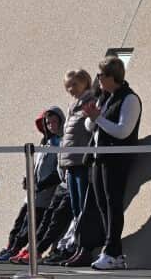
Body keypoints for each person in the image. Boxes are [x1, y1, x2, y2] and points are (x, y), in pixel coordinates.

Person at [83, 56, 141, 270]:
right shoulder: (106, 96)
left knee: (113, 204)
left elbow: (123, 131)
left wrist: (98, 118)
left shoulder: (130, 99)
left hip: (117, 160)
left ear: (112, 76)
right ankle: (114, 253)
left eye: (100, 75)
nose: (97, 79)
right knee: (102, 205)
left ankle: (112, 251)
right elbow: (90, 126)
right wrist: (93, 115)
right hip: (99, 159)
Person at [0, 106, 66, 263]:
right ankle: (11, 247)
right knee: (19, 222)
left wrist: (40, 185)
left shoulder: (61, 143)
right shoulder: (44, 143)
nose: (51, 125)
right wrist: (28, 178)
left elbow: (58, 172)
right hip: (32, 193)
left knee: (30, 226)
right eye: (48, 123)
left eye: (54, 122)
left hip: (44, 195)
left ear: (61, 122)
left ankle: (18, 249)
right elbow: (35, 165)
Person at [42, 69, 97, 265]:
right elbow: (67, 138)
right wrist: (61, 163)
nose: (71, 89)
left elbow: (89, 132)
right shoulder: (72, 106)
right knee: (75, 208)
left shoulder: (91, 102)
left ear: (85, 83)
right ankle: (75, 246)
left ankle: (81, 247)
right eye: (68, 86)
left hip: (81, 163)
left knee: (83, 207)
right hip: (70, 163)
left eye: (74, 85)